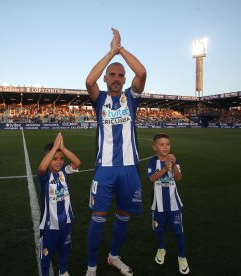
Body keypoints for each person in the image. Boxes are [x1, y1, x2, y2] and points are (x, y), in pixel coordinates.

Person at [85, 28, 147, 276]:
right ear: (106, 78)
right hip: (105, 169)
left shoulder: (131, 98)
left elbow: (141, 72)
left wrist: (121, 50)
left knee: (123, 215)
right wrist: (111, 53)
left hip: (130, 169)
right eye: (112, 74)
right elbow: (89, 81)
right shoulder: (99, 98)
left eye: (121, 75)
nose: (117, 78)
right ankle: (91, 266)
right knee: (98, 217)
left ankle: (113, 256)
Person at [37, 132, 81, 276]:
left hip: (66, 221)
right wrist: (55, 147)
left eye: (61, 158)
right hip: (50, 225)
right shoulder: (45, 176)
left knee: (65, 249)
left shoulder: (64, 172)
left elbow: (77, 163)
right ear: (47, 159)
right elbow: (42, 168)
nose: (59, 161)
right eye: (54, 158)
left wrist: (62, 148)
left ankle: (63, 271)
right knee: (46, 254)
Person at [146, 133, 189, 274]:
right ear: (155, 147)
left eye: (167, 144)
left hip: (174, 204)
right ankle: (161, 248)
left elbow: (178, 178)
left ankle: (182, 257)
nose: (165, 147)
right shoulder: (152, 162)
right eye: (162, 144)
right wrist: (164, 169)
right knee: (159, 230)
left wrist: (174, 165)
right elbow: (152, 179)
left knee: (178, 231)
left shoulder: (174, 160)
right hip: (158, 205)